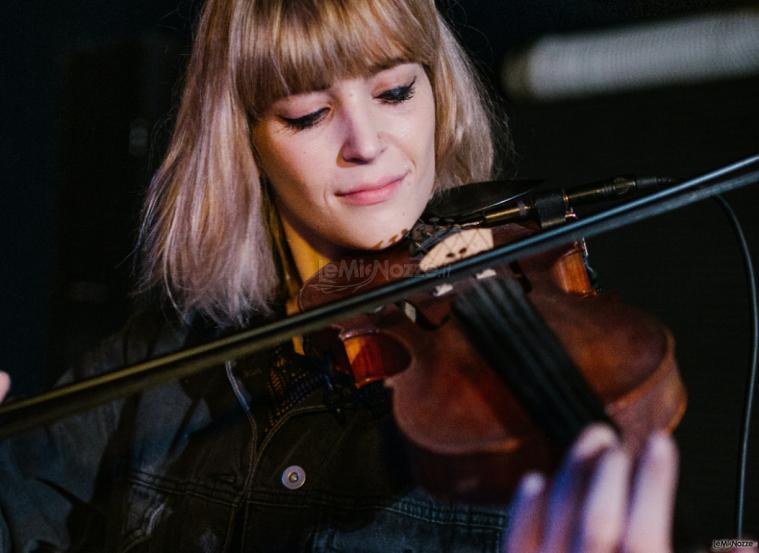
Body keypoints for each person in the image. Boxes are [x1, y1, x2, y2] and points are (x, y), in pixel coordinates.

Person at [0, 0, 679, 551]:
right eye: (308, 113)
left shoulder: (503, 399)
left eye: (394, 91)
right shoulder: (165, 355)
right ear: (243, 142)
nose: (366, 143)